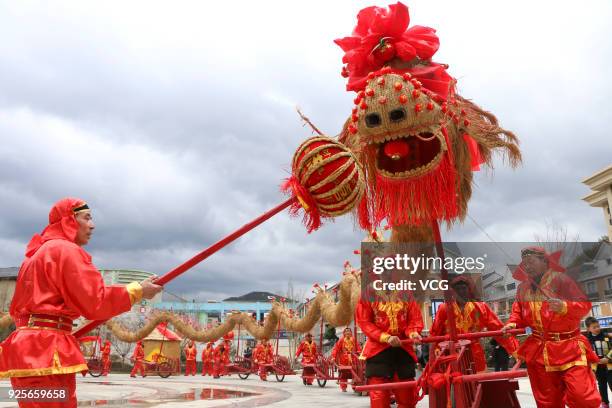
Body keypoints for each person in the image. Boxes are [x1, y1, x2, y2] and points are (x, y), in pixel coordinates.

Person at [0, 198, 161, 407]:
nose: (92, 225)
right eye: (87, 218)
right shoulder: (65, 250)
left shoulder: (34, 255)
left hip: (33, 348)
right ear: (69, 220)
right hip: (47, 351)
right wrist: (137, 290)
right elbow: (95, 300)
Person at [502, 246, 601, 408]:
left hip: (569, 348)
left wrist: (564, 306)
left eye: (531, 261)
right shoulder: (522, 289)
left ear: (544, 261)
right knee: (547, 401)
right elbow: (518, 311)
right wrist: (512, 323)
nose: (527, 266)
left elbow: (584, 304)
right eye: (524, 263)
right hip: (539, 350)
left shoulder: (562, 280)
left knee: (582, 396)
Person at [429, 276, 518, 373]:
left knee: (477, 383)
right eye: (457, 289)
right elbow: (435, 332)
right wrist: (436, 351)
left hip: (474, 353)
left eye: (464, 288)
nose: (461, 292)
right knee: (454, 383)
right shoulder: (444, 308)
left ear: (469, 290)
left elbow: (498, 328)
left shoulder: (480, 307)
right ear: (453, 292)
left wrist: (515, 350)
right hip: (451, 353)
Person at [356, 289, 423, 408]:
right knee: (379, 399)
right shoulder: (368, 293)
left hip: (403, 349)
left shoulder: (407, 292)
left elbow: (414, 319)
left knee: (407, 397)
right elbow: (364, 322)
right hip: (378, 351)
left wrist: (413, 333)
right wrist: (385, 337)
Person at [585, 316, 612, 408]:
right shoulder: (586, 341)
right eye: (594, 327)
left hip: (610, 365)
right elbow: (585, 354)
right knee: (601, 385)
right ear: (588, 329)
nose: (597, 328)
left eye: (598, 326)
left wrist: (608, 358)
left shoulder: (607, 336)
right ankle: (605, 403)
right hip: (597, 367)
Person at [331, 327, 362, 392]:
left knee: (356, 373)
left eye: (349, 331)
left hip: (353, 360)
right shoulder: (341, 340)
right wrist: (333, 357)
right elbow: (336, 349)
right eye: (346, 331)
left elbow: (359, 348)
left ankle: (355, 386)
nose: (348, 332)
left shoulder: (354, 339)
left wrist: (360, 354)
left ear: (351, 333)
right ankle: (343, 387)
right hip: (343, 360)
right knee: (343, 374)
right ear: (344, 333)